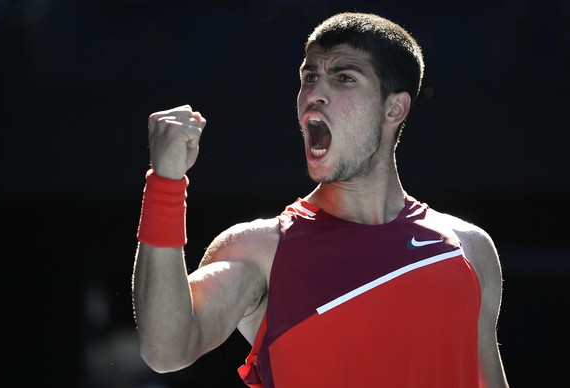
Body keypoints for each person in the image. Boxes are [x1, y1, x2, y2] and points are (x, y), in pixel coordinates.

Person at [132, 11, 509, 387]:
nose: (314, 94)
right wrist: (165, 183)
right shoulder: (261, 251)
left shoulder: (470, 250)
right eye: (309, 77)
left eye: (344, 78)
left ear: (394, 109)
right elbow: (166, 349)